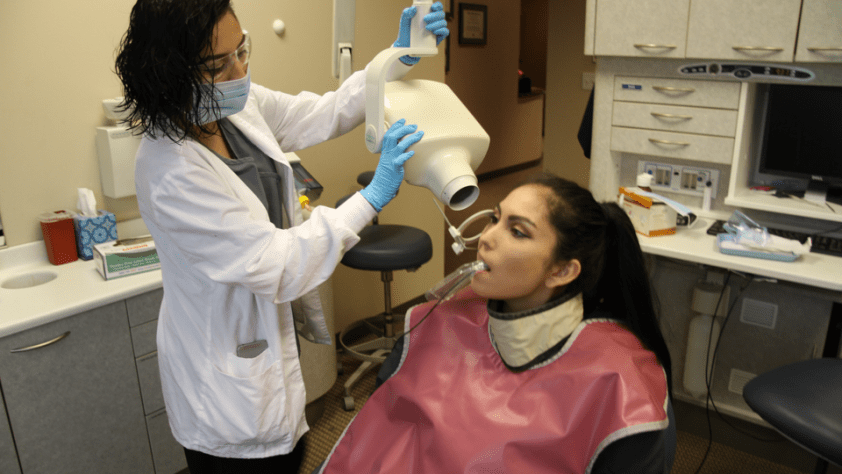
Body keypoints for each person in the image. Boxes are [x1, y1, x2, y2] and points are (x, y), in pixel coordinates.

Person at [114, 0, 448, 471]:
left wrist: (392, 60)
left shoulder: (233, 106)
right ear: (168, 71)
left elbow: (321, 113)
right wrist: (370, 199)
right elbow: (279, 265)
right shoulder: (171, 171)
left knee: (289, 449)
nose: (239, 70)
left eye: (242, 49)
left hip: (266, 344)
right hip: (224, 391)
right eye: (218, 63)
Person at [319, 173, 675, 474]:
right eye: (495, 218)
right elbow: (381, 427)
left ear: (562, 270)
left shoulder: (618, 386)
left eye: (518, 232)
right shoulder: (438, 319)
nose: (487, 238)